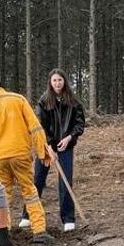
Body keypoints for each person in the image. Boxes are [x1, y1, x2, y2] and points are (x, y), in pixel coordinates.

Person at [0, 71, 54, 244]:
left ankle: (3, 232)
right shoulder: (18, 99)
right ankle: (39, 231)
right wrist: (43, 151)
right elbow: (35, 127)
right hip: (20, 154)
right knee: (29, 191)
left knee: (2, 195)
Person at [33, 69, 86, 233]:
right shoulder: (44, 101)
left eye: (60, 80)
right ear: (50, 82)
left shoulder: (73, 101)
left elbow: (79, 124)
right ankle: (28, 215)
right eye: (54, 80)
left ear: (65, 81)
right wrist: (49, 146)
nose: (57, 83)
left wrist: (69, 137)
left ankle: (68, 218)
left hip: (66, 146)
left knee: (65, 180)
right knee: (38, 178)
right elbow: (40, 125)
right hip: (46, 146)